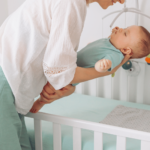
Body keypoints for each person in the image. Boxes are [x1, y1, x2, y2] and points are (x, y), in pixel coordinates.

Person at [0, 0, 126, 149]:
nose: (122, 1)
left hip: (12, 84)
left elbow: (56, 64)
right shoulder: (71, 3)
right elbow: (58, 70)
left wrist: (66, 85)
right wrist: (109, 71)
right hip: (6, 82)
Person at [30, 25, 150, 113]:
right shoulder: (110, 42)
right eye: (125, 28)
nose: (121, 29)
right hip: (68, 64)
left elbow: (104, 67)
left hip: (69, 78)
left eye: (125, 33)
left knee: (49, 88)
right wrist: (116, 33)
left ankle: (40, 102)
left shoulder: (115, 55)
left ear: (125, 50)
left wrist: (103, 65)